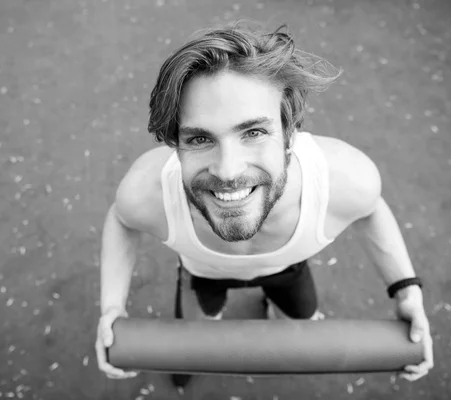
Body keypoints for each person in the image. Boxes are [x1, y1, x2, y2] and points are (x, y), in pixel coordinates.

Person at [95, 23, 433, 386]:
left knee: (301, 319)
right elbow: (121, 220)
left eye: (253, 133)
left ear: (290, 134)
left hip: (288, 270)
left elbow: (371, 211)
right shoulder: (145, 193)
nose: (227, 171)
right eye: (199, 138)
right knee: (193, 344)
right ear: (176, 145)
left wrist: (407, 290)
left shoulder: (346, 180)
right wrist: (112, 307)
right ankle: (189, 366)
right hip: (203, 275)